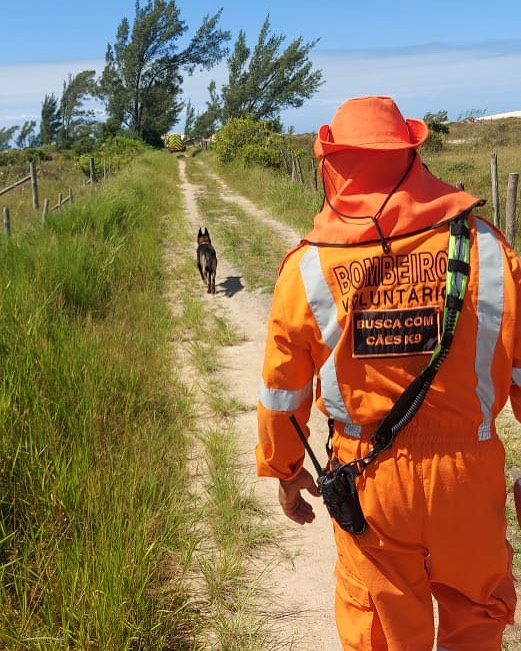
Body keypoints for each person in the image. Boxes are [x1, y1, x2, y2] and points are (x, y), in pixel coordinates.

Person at [256, 95, 521, 651]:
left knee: (379, 626)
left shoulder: (308, 267)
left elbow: (283, 392)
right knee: (477, 617)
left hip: (368, 481)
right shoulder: (489, 247)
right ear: (410, 156)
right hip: (469, 478)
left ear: (331, 164)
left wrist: (285, 472)